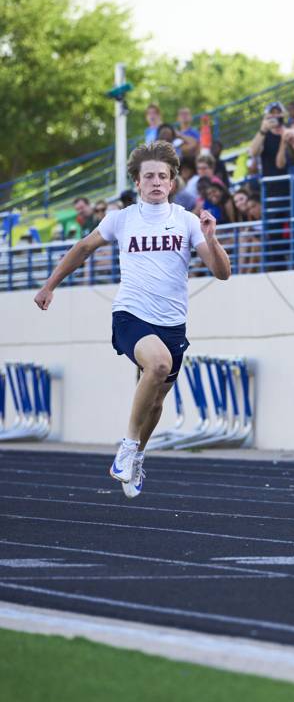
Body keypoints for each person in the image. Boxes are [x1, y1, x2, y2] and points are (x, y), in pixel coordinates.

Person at [34, 141, 231, 498]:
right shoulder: (121, 219)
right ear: (137, 182)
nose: (156, 182)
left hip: (172, 322)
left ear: (172, 182)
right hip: (131, 314)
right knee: (158, 365)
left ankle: (138, 455)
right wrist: (50, 285)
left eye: (162, 176)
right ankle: (127, 446)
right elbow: (83, 248)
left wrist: (211, 238)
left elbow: (222, 273)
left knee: (156, 400)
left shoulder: (187, 222)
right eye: (149, 176)